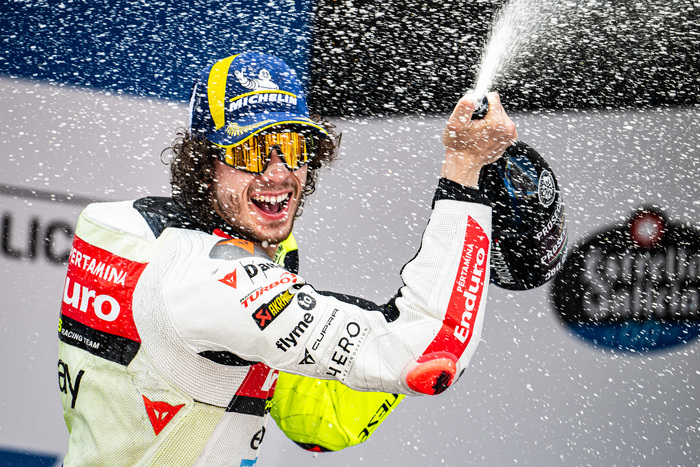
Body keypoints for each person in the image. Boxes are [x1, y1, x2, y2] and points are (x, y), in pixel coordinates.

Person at [57, 52, 565, 466]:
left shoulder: (122, 229)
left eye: (292, 146)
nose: (278, 173)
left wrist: (444, 277)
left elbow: (318, 421)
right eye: (250, 152)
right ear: (202, 162)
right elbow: (428, 353)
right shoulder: (213, 280)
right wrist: (464, 173)